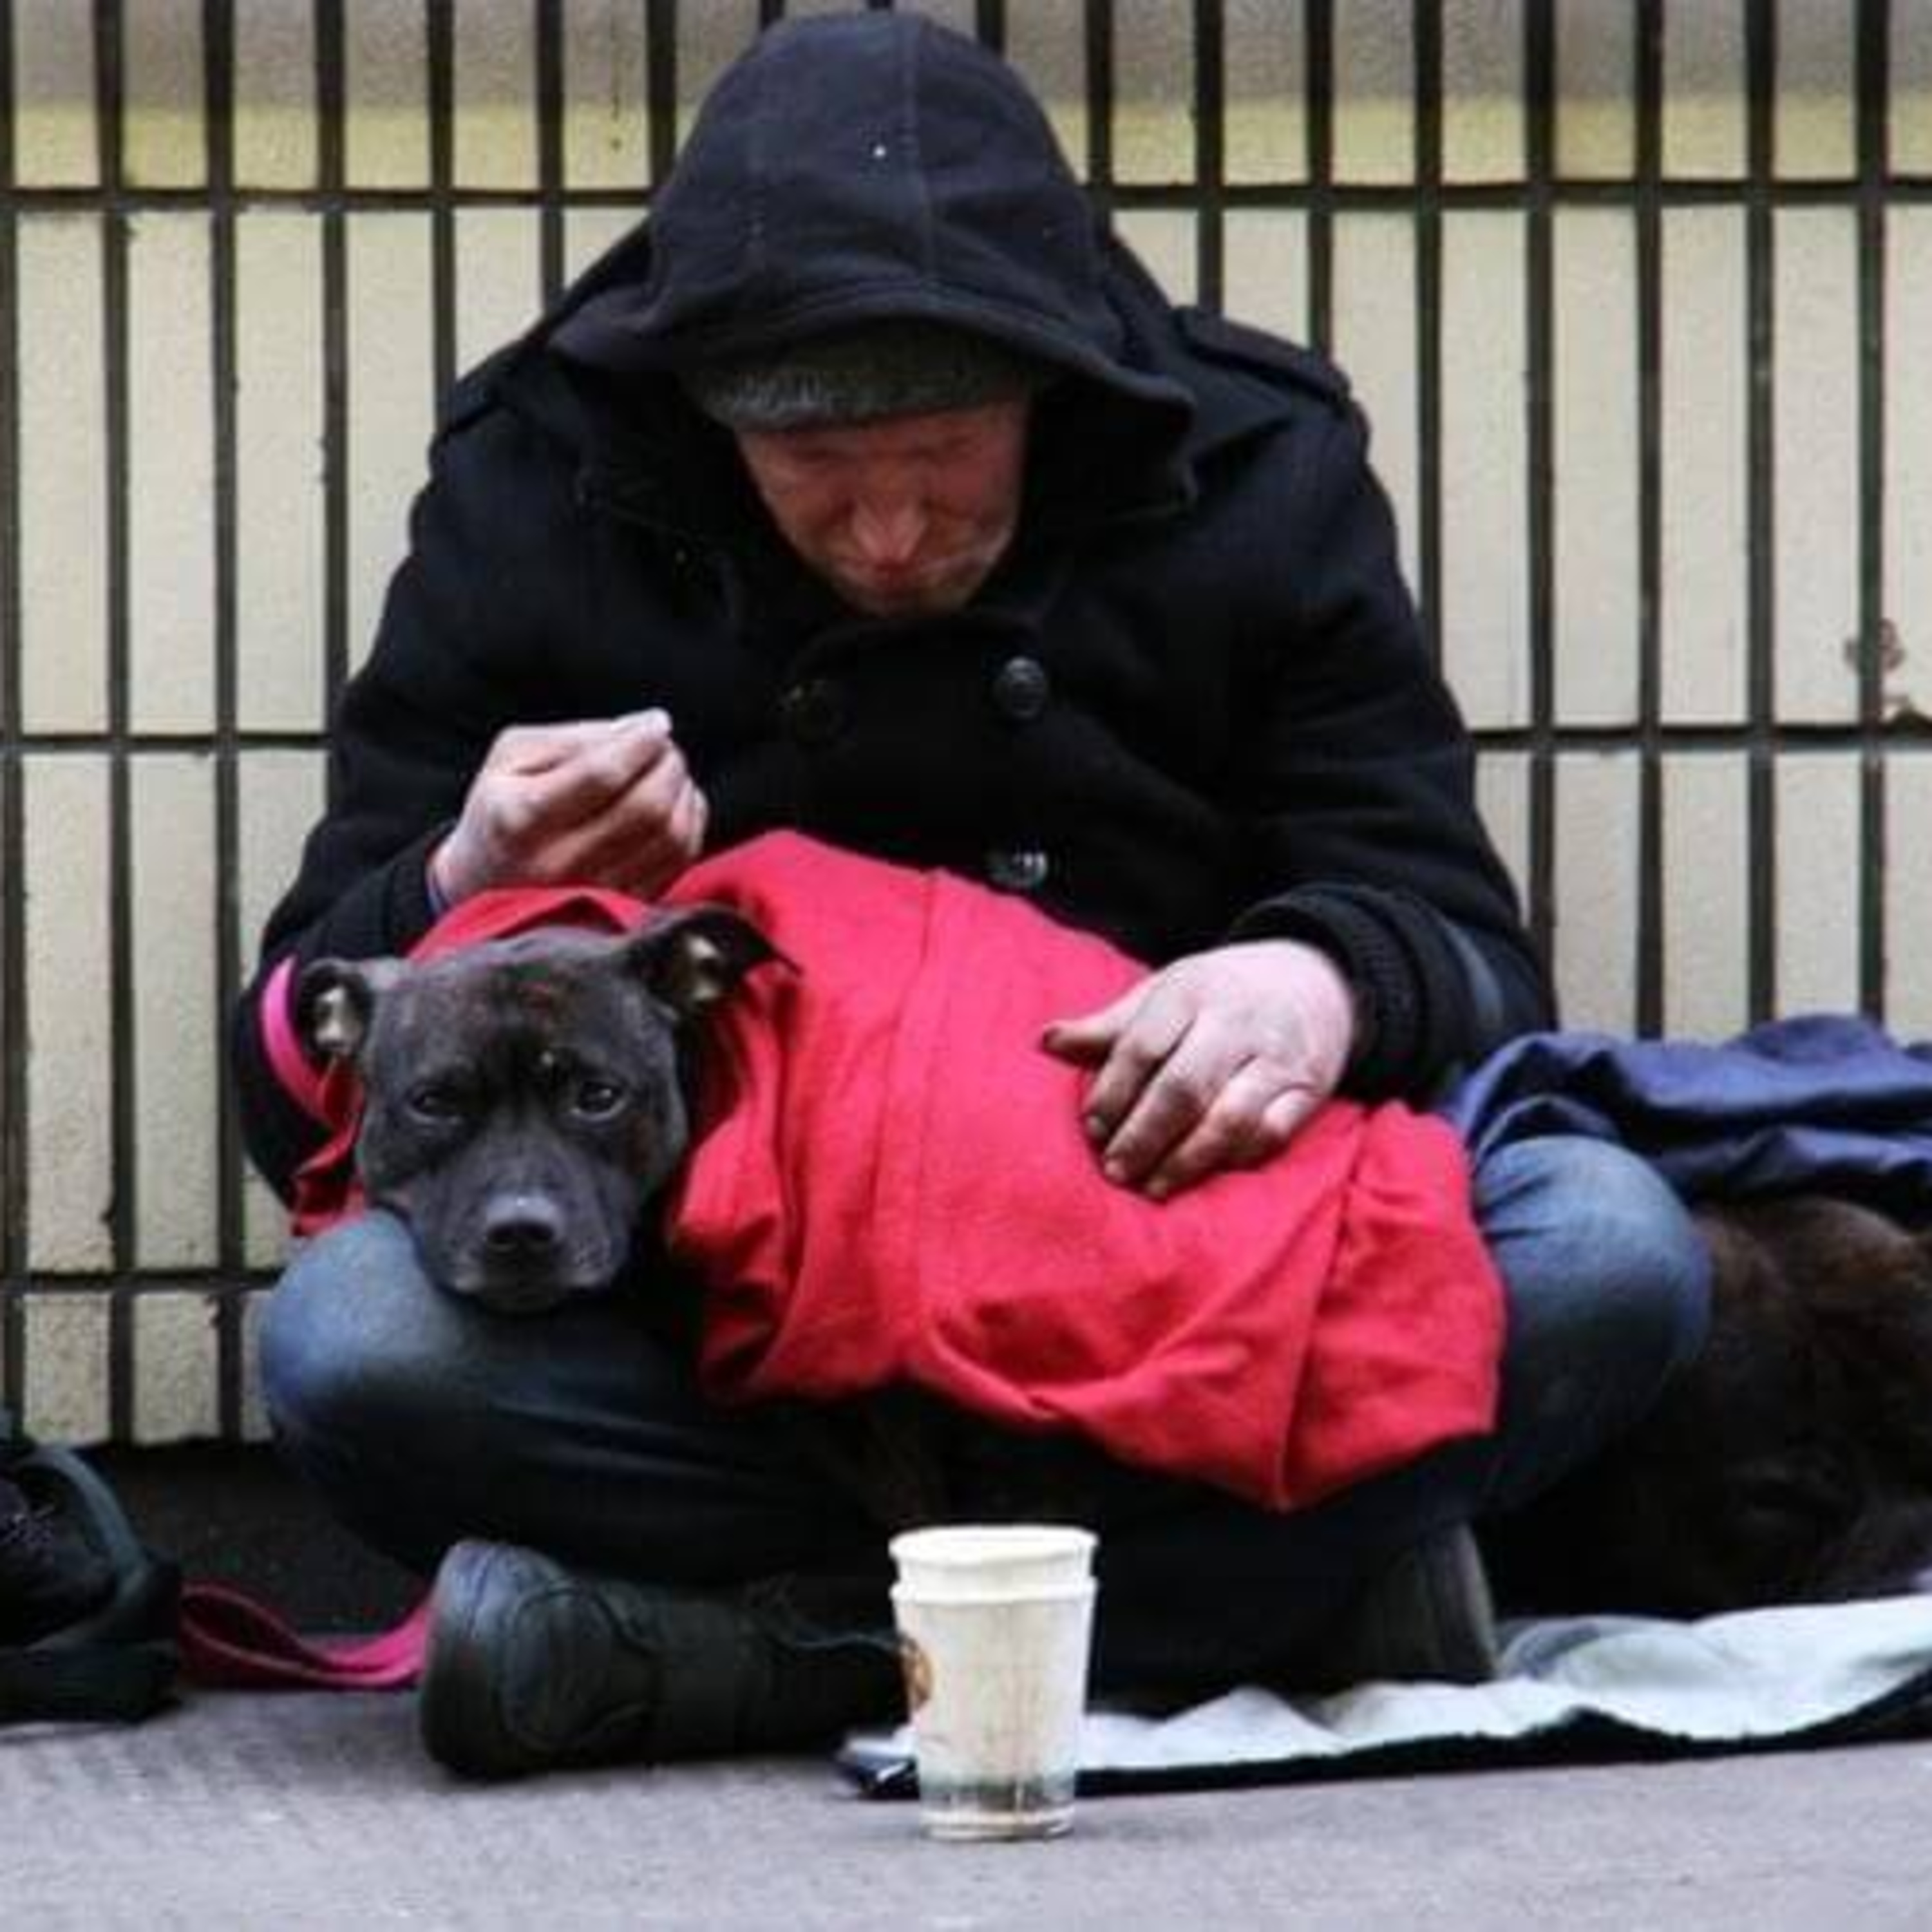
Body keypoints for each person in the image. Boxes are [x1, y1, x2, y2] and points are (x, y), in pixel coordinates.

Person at [233, 12, 1708, 1780]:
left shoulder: (1256, 460)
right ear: (709, 425)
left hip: (1154, 1272)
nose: (885, 540)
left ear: (1050, 390)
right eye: (816, 479)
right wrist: (468, 872)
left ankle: (734, 1656)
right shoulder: (543, 478)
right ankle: (1254, 1606)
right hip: (730, 1333)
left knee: (1612, 1247)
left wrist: (1315, 980)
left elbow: (1459, 943)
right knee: (354, 1346)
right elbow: (294, 1071)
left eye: (944, 465)